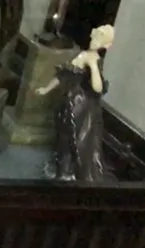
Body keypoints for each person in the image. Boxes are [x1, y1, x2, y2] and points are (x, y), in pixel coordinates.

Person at [37, 24, 115, 181]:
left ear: (105, 45)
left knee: (78, 141)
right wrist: (46, 88)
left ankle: (70, 172)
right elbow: (64, 75)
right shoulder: (81, 55)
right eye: (95, 36)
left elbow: (98, 88)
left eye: (100, 38)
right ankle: (63, 169)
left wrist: (93, 66)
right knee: (64, 138)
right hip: (70, 102)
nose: (94, 40)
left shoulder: (96, 61)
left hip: (83, 108)